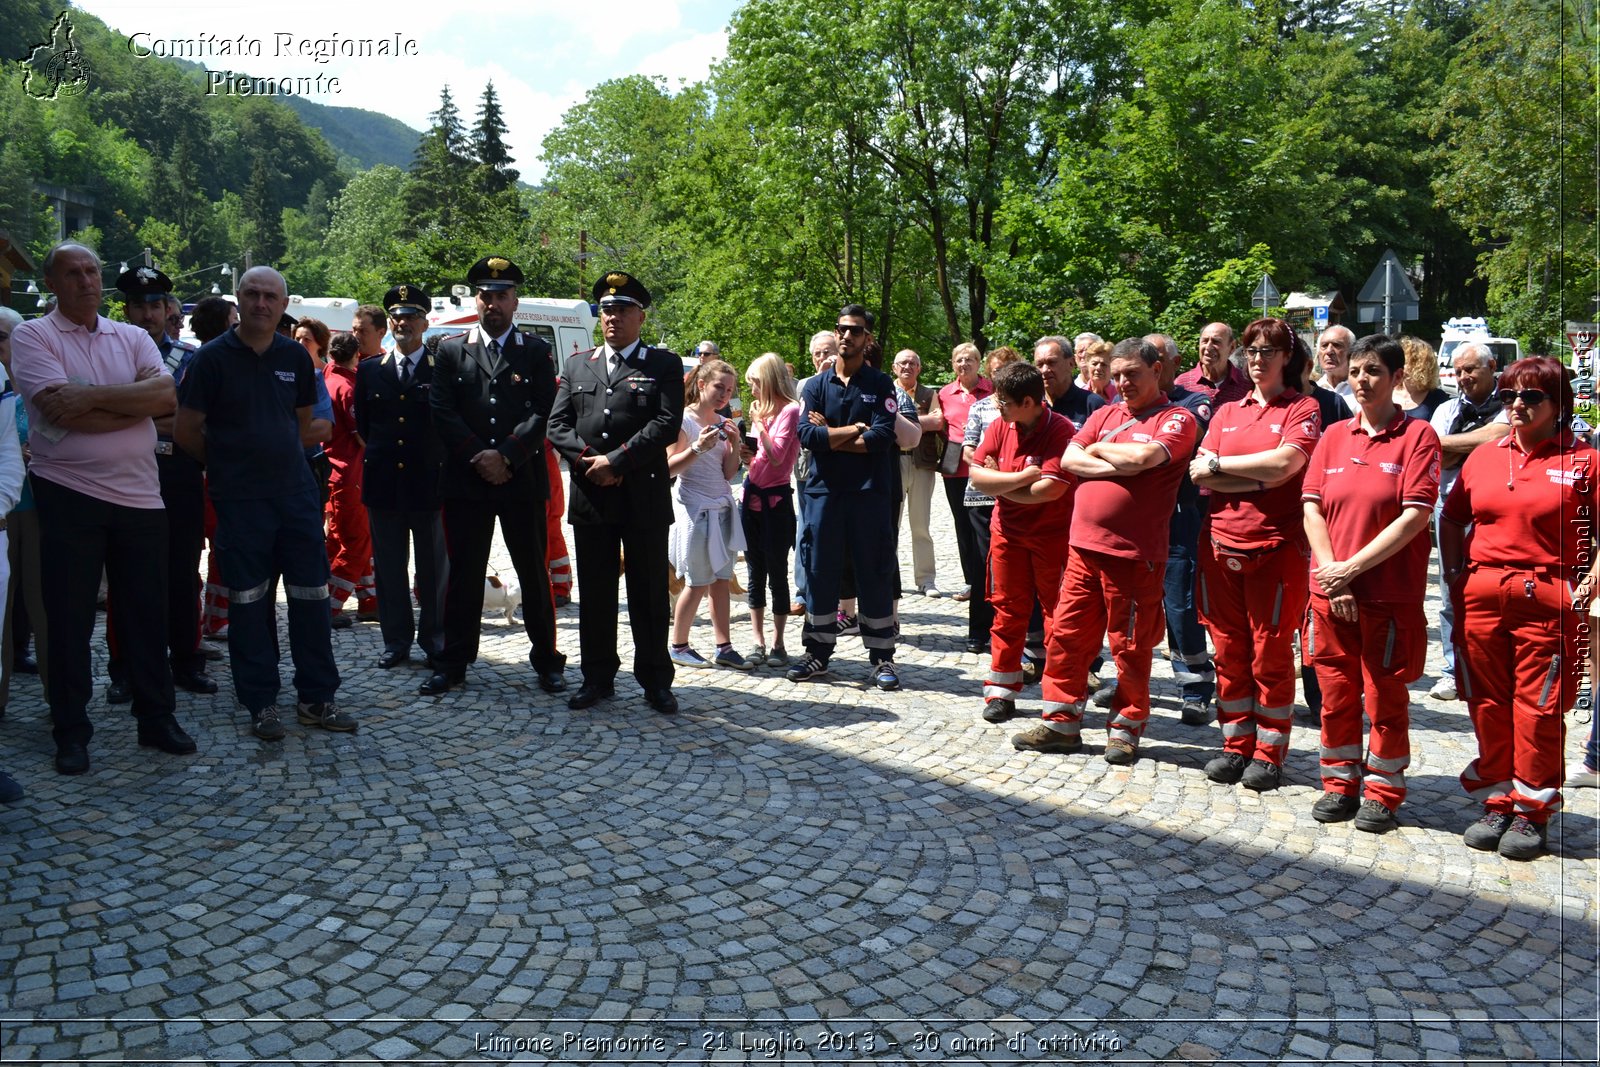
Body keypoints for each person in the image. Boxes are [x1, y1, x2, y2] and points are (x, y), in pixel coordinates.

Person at [12, 242, 195, 774]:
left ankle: (156, 717)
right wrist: (131, 406)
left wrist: (89, 396)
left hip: (141, 495)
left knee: (147, 612)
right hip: (68, 492)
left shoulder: (133, 335)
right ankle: (71, 730)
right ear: (52, 284)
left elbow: (167, 400)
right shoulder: (33, 336)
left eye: (92, 270)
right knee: (68, 618)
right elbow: (58, 413)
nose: (86, 281)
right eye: (72, 273)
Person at [174, 266, 357, 742]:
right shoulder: (212, 359)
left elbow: (305, 423)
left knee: (311, 598)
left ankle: (317, 697)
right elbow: (187, 430)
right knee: (250, 604)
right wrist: (231, 463)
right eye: (252, 294)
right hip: (240, 502)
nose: (260, 303)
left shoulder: (295, 356)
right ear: (239, 299)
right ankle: (260, 702)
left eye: (269, 296)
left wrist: (270, 449)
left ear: (282, 303)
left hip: (295, 496)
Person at [1012, 337, 1200, 764]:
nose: (1122, 383)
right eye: (1116, 375)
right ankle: (1061, 722)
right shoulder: (1104, 412)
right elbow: (1070, 460)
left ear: (1156, 370)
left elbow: (1146, 458)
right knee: (1067, 637)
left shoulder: (1177, 418)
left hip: (1134, 555)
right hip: (1083, 549)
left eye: (1131, 373)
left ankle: (1125, 729)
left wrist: (1099, 450)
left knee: (1130, 646)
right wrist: (1114, 458)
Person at [1441, 356, 1595, 860]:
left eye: (1531, 397)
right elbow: (1453, 517)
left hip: (1547, 596)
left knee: (1539, 706)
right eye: (1509, 397)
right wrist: (1455, 573)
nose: (1517, 407)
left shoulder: (1583, 461)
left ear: (1557, 404)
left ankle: (1533, 813)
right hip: (1483, 593)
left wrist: (1592, 578)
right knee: (1486, 700)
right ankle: (1499, 800)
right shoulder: (1486, 455)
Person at [1301, 334, 1439, 832]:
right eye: (1357, 370)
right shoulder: (1334, 435)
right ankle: (1339, 785)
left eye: (1375, 371)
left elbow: (1415, 516)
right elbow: (1311, 506)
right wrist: (1330, 573)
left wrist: (1350, 569)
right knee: (1335, 695)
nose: (1362, 379)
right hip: (1330, 593)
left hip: (1385, 595)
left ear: (1397, 378)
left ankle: (1383, 791)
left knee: (1385, 697)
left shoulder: (1417, 437)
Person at [421, 257, 566, 698]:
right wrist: (479, 456)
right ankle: (455, 661)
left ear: (515, 301)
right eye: (486, 295)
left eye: (502, 295)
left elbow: (545, 410)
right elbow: (442, 410)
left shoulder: (536, 351)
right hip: (467, 478)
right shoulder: (449, 349)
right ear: (476, 299)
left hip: (520, 477)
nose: (493, 303)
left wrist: (506, 455)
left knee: (533, 571)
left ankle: (547, 661)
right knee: (464, 573)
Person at [1189, 319, 1321, 791]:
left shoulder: (1302, 407)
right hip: (1219, 545)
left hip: (1275, 548)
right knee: (1228, 650)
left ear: (1288, 357)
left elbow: (1287, 464)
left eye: (1269, 350)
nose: (1259, 359)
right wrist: (1258, 478)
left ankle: (1269, 753)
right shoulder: (1227, 411)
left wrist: (1224, 466)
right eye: (1252, 351)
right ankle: (1235, 745)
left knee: (1270, 653)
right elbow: (1197, 473)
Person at [547, 270, 682, 714]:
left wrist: (618, 460)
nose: (612, 318)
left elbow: (665, 424)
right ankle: (597, 677)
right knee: (598, 594)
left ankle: (655, 680)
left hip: (641, 495)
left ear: (641, 317)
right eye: (606, 310)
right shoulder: (576, 364)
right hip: (592, 496)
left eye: (622, 310)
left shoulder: (662, 365)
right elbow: (557, 425)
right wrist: (592, 461)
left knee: (647, 594)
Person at [104, 266, 217, 701]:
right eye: (138, 305)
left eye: (155, 305)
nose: (148, 314)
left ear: (168, 308)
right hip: (123, 473)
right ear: (126, 308)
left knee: (184, 573)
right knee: (125, 576)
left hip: (179, 475)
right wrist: (153, 419)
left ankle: (186, 661)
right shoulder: (110, 357)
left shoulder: (190, 358)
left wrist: (127, 415)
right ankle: (125, 669)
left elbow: (194, 423)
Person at [788, 304, 902, 690]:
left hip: (869, 495)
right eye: (841, 329)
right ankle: (817, 653)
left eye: (855, 330)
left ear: (867, 337)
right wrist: (854, 430)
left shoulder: (881, 384)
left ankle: (883, 658)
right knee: (820, 571)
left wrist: (832, 438)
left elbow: (883, 438)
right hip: (824, 495)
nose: (846, 336)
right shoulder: (816, 386)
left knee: (874, 571)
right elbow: (807, 437)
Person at [968, 362, 1075, 723]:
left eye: (1004, 400)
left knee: (1058, 618)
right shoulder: (1001, 425)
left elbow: (1051, 489)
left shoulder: (1060, 430)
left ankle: (1059, 699)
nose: (997, 406)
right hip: (1007, 536)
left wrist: (1004, 480)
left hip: (1051, 539)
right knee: (1006, 613)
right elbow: (977, 477)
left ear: (1028, 401)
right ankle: (1001, 692)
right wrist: (1025, 476)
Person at [355, 283, 448, 670]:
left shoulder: (441, 367)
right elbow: (364, 424)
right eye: (396, 316)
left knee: (433, 570)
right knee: (390, 569)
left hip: (428, 484)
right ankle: (396, 641)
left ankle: (435, 639)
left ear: (425, 322)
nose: (402, 323)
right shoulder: (369, 370)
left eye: (410, 316)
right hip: (384, 485)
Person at [1426, 342, 1507, 701]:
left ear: (1491, 366)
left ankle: (1491, 667)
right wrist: (1471, 444)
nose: (1463, 377)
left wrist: (1453, 444)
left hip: (1494, 510)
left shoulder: (1509, 407)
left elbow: (1498, 438)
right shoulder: (1446, 408)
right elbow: (1434, 455)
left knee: (1491, 591)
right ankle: (1451, 669)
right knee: (1449, 590)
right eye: (1457, 371)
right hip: (1449, 508)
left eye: (1471, 369)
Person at [1149, 332, 1215, 725]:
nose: (1150, 364)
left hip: (1178, 516)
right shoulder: (1125, 405)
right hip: (1138, 521)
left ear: (1175, 363)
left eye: (1157, 357)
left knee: (1181, 605)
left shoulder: (1194, 401)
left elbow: (1168, 450)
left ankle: (1195, 687)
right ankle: (1132, 681)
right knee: (1134, 609)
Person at [667, 359, 751, 669]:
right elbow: (668, 468)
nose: (724, 395)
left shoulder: (724, 420)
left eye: (729, 390)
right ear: (701, 385)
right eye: (718, 387)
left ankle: (723, 646)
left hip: (723, 505)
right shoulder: (684, 421)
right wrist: (698, 448)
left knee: (721, 579)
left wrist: (736, 443)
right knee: (698, 580)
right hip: (696, 508)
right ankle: (678, 644)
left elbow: (728, 473)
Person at [0, 307, 48, 720]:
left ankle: (60, 697)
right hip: (3, 511)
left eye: (1, 337)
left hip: (37, 505)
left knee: (43, 602)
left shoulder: (39, 382)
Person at [740, 352, 802, 667]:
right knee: (754, 573)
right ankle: (757, 641)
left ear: (768, 382)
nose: (751, 391)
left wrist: (758, 425)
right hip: (751, 501)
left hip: (776, 504)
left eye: (755, 383)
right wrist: (744, 454)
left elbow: (777, 456)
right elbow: (759, 460)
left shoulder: (790, 411)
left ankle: (778, 642)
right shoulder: (764, 413)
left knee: (777, 572)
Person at [960, 346, 1022, 654]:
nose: (999, 376)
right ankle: (979, 630)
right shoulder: (981, 407)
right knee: (984, 562)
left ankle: (1015, 629)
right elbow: (968, 448)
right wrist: (987, 465)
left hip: (1017, 493)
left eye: (1005, 370)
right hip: (981, 494)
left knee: (1014, 563)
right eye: (994, 371)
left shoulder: (1026, 406)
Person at [320, 331, 376, 627]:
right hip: (350, 473)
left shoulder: (326, 379)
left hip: (332, 472)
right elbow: (363, 436)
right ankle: (329, 606)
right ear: (355, 355)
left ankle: (370, 599)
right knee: (357, 543)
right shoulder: (348, 387)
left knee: (337, 540)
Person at [937, 343, 992, 613]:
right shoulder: (945, 393)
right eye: (959, 360)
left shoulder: (992, 390)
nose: (964, 364)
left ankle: (990, 578)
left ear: (979, 363)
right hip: (955, 468)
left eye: (970, 359)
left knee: (985, 523)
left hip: (986, 467)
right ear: (952, 364)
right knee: (962, 523)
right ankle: (972, 580)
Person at [788, 332, 840, 616]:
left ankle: (838, 592)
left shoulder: (849, 382)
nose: (823, 358)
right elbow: (801, 424)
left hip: (841, 466)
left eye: (828, 352)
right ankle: (803, 591)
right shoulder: (803, 386)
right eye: (818, 353)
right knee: (806, 530)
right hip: (808, 469)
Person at [891, 348, 945, 597]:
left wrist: (902, 419)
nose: (907, 367)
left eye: (912, 363)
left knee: (921, 525)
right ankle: (889, 578)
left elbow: (939, 422)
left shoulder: (929, 394)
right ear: (894, 367)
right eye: (902, 363)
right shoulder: (886, 390)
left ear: (919, 369)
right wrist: (921, 421)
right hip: (893, 463)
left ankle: (926, 580)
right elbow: (885, 423)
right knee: (890, 524)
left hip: (922, 464)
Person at [1035, 335, 1106, 429]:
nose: (1044, 370)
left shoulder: (1092, 404)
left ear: (1071, 363)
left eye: (1051, 362)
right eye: (1039, 364)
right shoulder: (1031, 405)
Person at [1177, 322, 1249, 406]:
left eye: (1216, 341)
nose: (1208, 347)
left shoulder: (1246, 383)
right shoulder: (1182, 383)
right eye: (1205, 341)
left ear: (1232, 347)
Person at [1394, 336, 1450, 423]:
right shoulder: (1386, 392)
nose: (1404, 367)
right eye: (1402, 362)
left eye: (1411, 362)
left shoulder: (1438, 397)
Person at [1315, 325, 1355, 407]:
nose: (1329, 351)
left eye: (1337, 345)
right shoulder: (1314, 389)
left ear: (1351, 351)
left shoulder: (1361, 388)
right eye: (1324, 345)